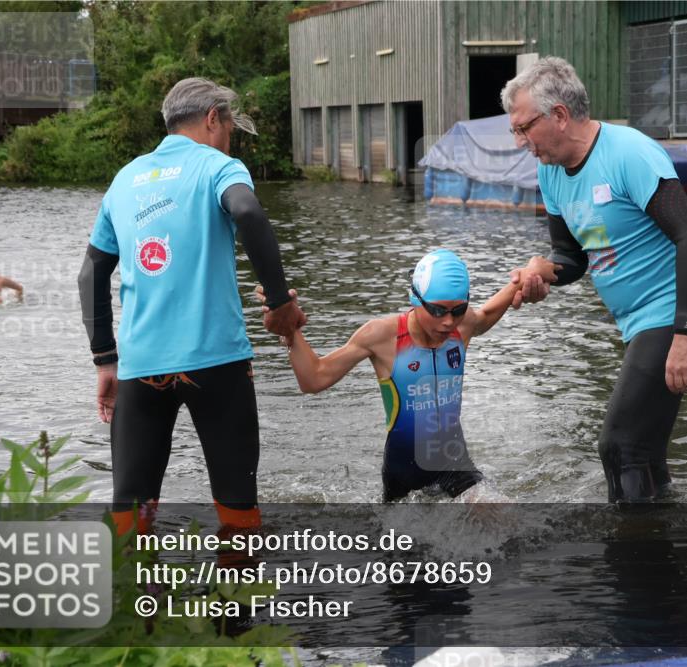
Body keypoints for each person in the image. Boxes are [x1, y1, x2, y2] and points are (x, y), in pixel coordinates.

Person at [77, 77, 306, 534]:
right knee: (238, 510)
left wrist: (104, 359)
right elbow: (248, 212)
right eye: (229, 131)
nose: (228, 142)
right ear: (212, 119)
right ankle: (236, 580)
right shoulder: (218, 167)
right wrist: (280, 303)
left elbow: (91, 273)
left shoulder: (125, 179)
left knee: (131, 516)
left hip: (141, 368)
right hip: (216, 362)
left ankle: (137, 580)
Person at [504, 57, 687, 503]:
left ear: (559, 115)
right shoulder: (550, 170)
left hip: (679, 311)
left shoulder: (628, 154)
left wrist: (686, 334)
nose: (520, 142)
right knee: (644, 452)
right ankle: (662, 533)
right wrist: (543, 272)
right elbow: (572, 257)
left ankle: (630, 544)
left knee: (618, 446)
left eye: (524, 128)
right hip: (639, 322)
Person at [269, 249, 554, 502]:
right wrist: (290, 330)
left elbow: (487, 314)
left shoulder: (463, 325)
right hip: (403, 473)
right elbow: (314, 378)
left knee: (500, 515)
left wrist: (530, 272)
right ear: (415, 299)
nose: (448, 322)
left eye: (458, 310)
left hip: (453, 462)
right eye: (437, 310)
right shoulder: (382, 336)